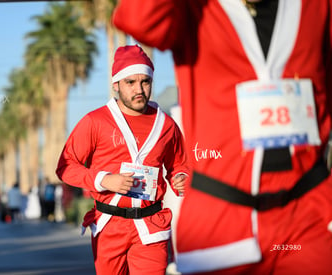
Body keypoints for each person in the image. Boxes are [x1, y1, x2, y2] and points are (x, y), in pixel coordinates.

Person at [113, 1, 332, 274]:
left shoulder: (317, 7)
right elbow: (138, 18)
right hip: (221, 222)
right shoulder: (195, 8)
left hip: (309, 215)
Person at [56, 44, 189, 275]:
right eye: (130, 82)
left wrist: (181, 177)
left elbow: (180, 164)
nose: (139, 89)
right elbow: (65, 167)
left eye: (145, 81)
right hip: (109, 226)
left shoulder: (166, 125)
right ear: (116, 85)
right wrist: (103, 179)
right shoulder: (94, 122)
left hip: (152, 226)